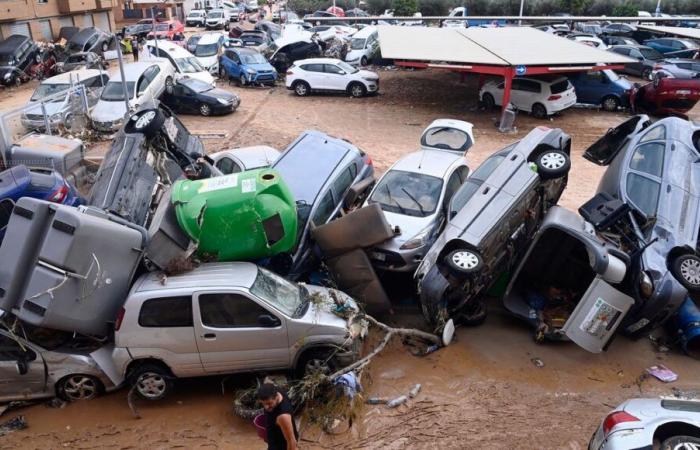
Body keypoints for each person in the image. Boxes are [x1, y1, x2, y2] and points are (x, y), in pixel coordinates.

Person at [258, 383, 298, 450]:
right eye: (263, 404)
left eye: (269, 403)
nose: (266, 407)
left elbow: (292, 441)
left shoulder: (283, 416)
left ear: (276, 397)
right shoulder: (276, 391)